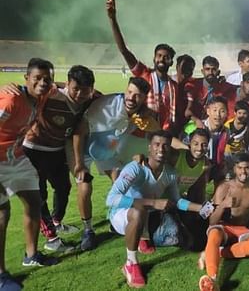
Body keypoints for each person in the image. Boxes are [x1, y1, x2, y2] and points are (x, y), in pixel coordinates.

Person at [106, 130, 213, 288]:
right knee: (139, 211)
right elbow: (111, 199)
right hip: (121, 215)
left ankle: (143, 237)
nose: (161, 149)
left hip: (149, 218)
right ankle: (131, 263)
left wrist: (202, 208)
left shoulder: (170, 173)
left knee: (180, 238)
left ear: (170, 149)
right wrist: (153, 203)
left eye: (165, 146)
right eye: (157, 144)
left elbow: (177, 201)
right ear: (149, 147)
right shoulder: (135, 168)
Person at [72, 77, 160, 251]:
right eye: (129, 92)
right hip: (83, 145)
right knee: (84, 186)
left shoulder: (141, 114)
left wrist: (149, 115)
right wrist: (79, 163)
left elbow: (156, 130)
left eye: (137, 96)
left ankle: (123, 222)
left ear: (143, 98)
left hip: (105, 147)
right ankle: (88, 231)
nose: (131, 98)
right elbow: (79, 131)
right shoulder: (105, 106)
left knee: (122, 182)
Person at [22, 65, 96, 253]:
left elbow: (109, 98)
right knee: (39, 196)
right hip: (34, 149)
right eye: (75, 88)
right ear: (68, 84)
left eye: (84, 90)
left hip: (57, 151)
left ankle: (56, 222)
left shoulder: (89, 99)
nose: (79, 94)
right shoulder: (52, 94)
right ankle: (52, 239)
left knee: (63, 188)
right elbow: (29, 91)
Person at [0, 58, 58, 289]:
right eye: (38, 78)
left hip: (17, 156)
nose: (43, 83)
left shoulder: (43, 93)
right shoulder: (11, 99)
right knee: (2, 213)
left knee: (34, 201)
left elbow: (60, 86)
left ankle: (31, 255)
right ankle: (0, 274)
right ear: (26, 79)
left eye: (47, 79)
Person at [106, 0, 178, 132]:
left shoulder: (173, 86)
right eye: (159, 56)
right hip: (139, 131)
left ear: (171, 62)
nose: (162, 59)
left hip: (162, 134)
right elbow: (124, 50)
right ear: (154, 58)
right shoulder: (144, 73)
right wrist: (113, 19)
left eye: (166, 57)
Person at [198, 153, 249, 291]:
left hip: (241, 229)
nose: (243, 172)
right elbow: (212, 221)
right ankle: (212, 279)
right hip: (224, 227)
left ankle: (217, 252)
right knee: (214, 233)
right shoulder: (224, 188)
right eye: (240, 168)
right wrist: (223, 205)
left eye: (246, 168)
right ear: (234, 169)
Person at [184, 56, 237, 125]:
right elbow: (187, 111)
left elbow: (240, 89)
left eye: (213, 69)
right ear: (202, 71)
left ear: (218, 72)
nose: (210, 72)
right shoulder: (193, 86)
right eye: (207, 69)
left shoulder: (225, 87)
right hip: (195, 122)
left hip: (217, 124)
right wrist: (197, 121)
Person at [224, 101, 249, 171]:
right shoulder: (227, 126)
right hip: (228, 155)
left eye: (244, 113)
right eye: (239, 113)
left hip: (241, 155)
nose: (242, 115)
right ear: (235, 113)